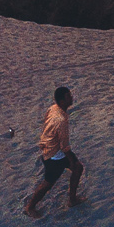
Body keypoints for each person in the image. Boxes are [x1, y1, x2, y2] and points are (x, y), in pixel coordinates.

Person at [25, 85, 83, 217]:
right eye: (68, 96)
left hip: (51, 147)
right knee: (48, 183)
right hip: (55, 154)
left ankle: (72, 199)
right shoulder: (61, 120)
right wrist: (70, 161)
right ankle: (30, 207)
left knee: (78, 168)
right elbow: (64, 146)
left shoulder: (54, 108)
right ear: (62, 101)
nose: (71, 98)